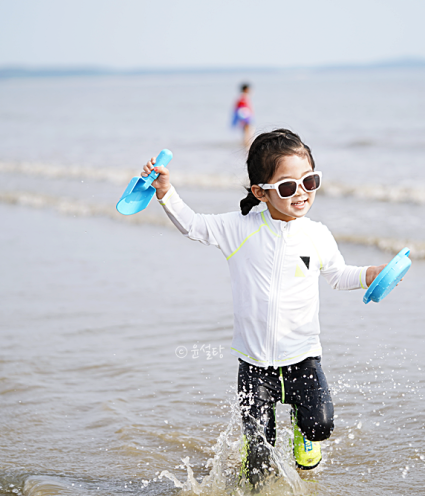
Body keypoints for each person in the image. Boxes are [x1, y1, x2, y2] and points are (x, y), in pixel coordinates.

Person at [141, 129, 391, 489]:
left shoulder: (317, 235)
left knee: (320, 424)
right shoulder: (238, 229)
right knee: (258, 460)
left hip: (304, 356)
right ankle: (256, 465)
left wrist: (372, 274)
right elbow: (193, 225)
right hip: (254, 364)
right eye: (288, 187)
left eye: (310, 181)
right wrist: (165, 192)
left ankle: (303, 435)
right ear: (261, 192)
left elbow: (338, 275)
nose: (302, 192)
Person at [232, 83, 254, 149]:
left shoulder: (240, 96)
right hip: (245, 115)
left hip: (242, 115)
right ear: (246, 89)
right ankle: (247, 143)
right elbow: (245, 106)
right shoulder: (244, 96)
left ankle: (245, 142)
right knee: (247, 128)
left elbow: (236, 107)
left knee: (245, 129)